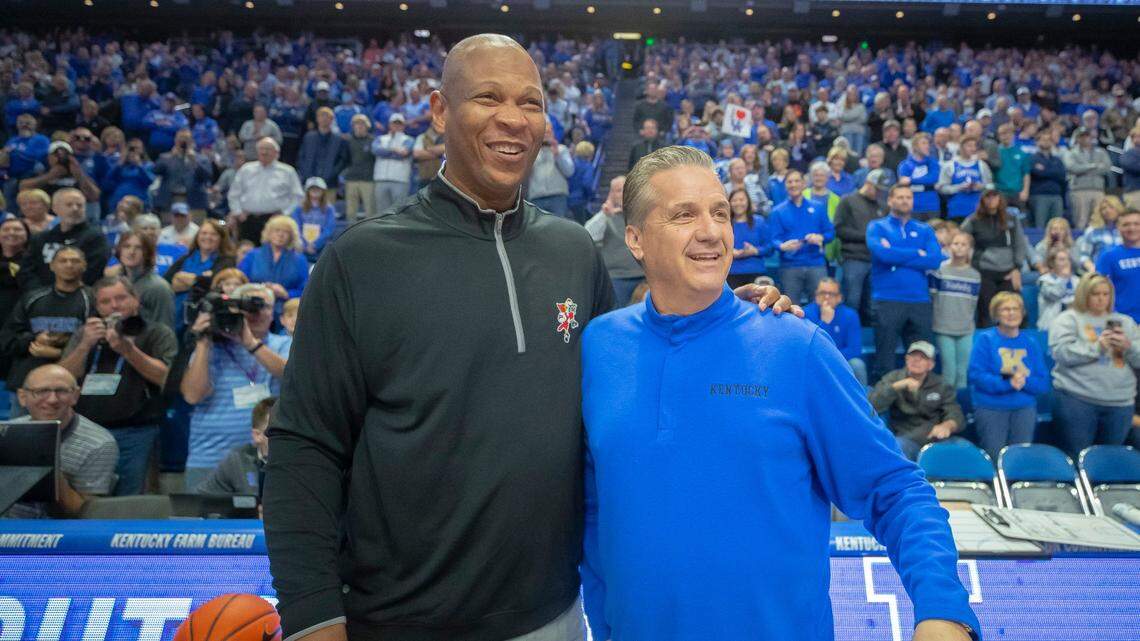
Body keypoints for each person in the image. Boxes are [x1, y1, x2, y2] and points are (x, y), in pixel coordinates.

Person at [262, 33, 796, 641]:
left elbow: (639, 369)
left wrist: (736, 318)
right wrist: (313, 616)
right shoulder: (362, 258)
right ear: (439, 111)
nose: (513, 119)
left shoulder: (572, 248)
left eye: (531, 103)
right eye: (488, 97)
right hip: (398, 620)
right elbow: (305, 447)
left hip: (554, 615)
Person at [581, 146, 977, 641]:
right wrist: (607, 620)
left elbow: (896, 489)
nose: (710, 231)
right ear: (635, 239)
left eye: (720, 212)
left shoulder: (795, 344)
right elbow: (595, 508)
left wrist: (943, 608)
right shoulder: (599, 346)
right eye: (684, 215)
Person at [58, 276, 177, 495]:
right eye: (105, 302)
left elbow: (166, 378)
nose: (114, 306)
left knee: (130, 498)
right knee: (84, 497)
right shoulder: (87, 333)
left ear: (136, 300)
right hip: (86, 430)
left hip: (135, 431)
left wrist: (127, 350)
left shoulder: (156, 332)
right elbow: (60, 378)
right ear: (97, 307)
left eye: (121, 298)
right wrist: (84, 345)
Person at [181, 282, 290, 490]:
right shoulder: (213, 347)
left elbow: (291, 375)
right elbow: (192, 395)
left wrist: (250, 343)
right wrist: (203, 342)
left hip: (265, 456)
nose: (255, 313)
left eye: (263, 306)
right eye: (247, 307)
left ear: (273, 313)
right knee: (201, 520)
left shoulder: (282, 344)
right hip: (210, 455)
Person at [2, 364, 117, 518]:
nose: (52, 400)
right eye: (41, 391)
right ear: (22, 397)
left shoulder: (99, 443)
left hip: (60, 533)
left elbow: (88, 513)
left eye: (61, 391)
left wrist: (49, 465)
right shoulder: (8, 432)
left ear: (75, 396)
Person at [1049, 273, 1140, 456]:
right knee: (1078, 456)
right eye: (1095, 294)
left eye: (1106, 294)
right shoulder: (1068, 319)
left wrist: (1128, 347)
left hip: (1120, 402)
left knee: (1109, 459)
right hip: (1078, 398)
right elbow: (1061, 353)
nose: (1101, 299)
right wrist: (1096, 348)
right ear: (1084, 294)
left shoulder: (1127, 323)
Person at [0, 246, 93, 409]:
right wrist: (33, 340)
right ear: (52, 266)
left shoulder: (93, 299)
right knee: (23, 434)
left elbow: (98, 344)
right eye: (63, 260)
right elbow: (7, 339)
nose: (69, 265)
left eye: (75, 261)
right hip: (27, 385)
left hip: (72, 387)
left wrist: (58, 353)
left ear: (84, 266)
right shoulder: (32, 298)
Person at [866, 185, 943, 381]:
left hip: (920, 300)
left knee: (923, 358)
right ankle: (885, 409)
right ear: (890, 200)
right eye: (900, 197)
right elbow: (882, 254)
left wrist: (895, 253)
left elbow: (934, 259)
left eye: (908, 197)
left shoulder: (924, 229)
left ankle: (921, 406)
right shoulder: (876, 226)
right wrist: (917, 253)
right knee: (885, 360)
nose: (904, 200)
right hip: (887, 299)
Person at [968, 292, 1049, 461]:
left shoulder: (1031, 342)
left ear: (1022, 313)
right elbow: (976, 375)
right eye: (1005, 309)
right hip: (991, 408)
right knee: (994, 457)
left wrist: (1024, 381)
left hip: (1024, 408)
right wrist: (1008, 383)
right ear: (996, 314)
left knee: (1019, 459)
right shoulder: (985, 339)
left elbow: (1042, 383)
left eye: (1015, 309)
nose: (1011, 313)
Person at [869, 340, 966, 461]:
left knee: (964, 449)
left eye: (923, 357)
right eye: (913, 356)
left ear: (931, 364)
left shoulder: (941, 384)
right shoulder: (893, 378)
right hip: (906, 436)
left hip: (936, 437)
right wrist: (897, 386)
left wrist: (947, 425)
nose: (916, 360)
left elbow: (955, 412)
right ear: (906, 359)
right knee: (898, 446)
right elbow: (871, 404)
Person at [961, 190, 1027, 328]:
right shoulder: (973, 220)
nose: (991, 200)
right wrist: (967, 264)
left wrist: (1017, 268)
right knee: (985, 312)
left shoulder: (1011, 218)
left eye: (995, 196)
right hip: (983, 272)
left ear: (999, 198)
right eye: (988, 197)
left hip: (1008, 272)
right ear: (982, 200)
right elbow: (961, 239)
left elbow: (1020, 243)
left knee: (1016, 308)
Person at [20, 188, 109, 290]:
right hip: (40, 296)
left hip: (78, 295)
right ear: (55, 208)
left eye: (79, 205)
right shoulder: (41, 238)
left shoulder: (95, 238)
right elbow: (26, 270)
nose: (75, 209)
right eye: (69, 205)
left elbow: (94, 271)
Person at [833, 169, 890, 322]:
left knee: (873, 305)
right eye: (877, 189)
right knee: (852, 300)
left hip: (875, 260)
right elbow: (839, 229)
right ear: (868, 183)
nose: (878, 193)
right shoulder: (848, 201)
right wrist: (868, 237)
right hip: (853, 258)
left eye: (881, 191)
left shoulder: (883, 207)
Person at [769, 170, 833, 304]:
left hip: (816, 264)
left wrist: (820, 237)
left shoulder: (818, 207)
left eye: (797, 181)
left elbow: (830, 233)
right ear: (785, 186)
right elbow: (773, 239)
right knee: (790, 309)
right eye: (789, 182)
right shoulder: (777, 211)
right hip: (790, 266)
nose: (793, 185)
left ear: (804, 184)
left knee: (821, 306)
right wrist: (782, 246)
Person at [226, 137, 305, 244]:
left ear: (277, 153)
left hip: (274, 220)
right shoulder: (246, 169)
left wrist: (285, 213)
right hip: (247, 220)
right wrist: (238, 212)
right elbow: (233, 194)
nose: (264, 152)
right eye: (261, 149)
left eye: (268, 149)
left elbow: (298, 197)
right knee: (246, 253)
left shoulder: (287, 171)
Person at [163, 219, 236, 334]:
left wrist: (181, 279)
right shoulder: (186, 258)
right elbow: (166, 281)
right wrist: (200, 279)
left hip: (204, 316)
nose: (208, 237)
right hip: (176, 315)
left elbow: (213, 283)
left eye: (213, 234)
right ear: (197, 236)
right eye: (204, 233)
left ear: (221, 238)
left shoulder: (227, 260)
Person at [195, 396, 275, 496]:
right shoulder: (238, 459)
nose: (285, 438)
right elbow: (200, 500)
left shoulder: (298, 460)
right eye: (275, 432)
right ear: (257, 435)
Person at [931, 231, 981, 389]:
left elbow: (972, 305)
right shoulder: (938, 271)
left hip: (965, 329)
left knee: (962, 373)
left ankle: (961, 411)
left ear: (969, 249)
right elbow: (932, 298)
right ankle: (946, 410)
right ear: (949, 246)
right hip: (943, 327)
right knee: (949, 372)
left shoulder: (975, 275)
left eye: (963, 244)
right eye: (956, 243)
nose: (959, 248)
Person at [586, 176, 644, 306]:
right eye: (618, 190)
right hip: (616, 277)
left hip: (644, 276)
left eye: (626, 189)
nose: (623, 193)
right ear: (611, 194)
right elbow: (588, 235)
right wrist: (604, 214)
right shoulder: (605, 216)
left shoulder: (642, 215)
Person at [238, 215, 309, 315]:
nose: (280, 234)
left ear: (292, 237)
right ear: (269, 233)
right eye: (277, 230)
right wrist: (259, 289)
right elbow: (240, 281)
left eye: (286, 232)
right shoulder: (253, 255)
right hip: (254, 305)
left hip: (285, 309)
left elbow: (306, 290)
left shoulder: (300, 260)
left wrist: (286, 293)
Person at [104, 232, 176, 328]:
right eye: (126, 246)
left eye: (138, 248)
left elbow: (166, 331)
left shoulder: (159, 288)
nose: (131, 252)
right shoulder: (116, 283)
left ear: (147, 253)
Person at [803, 277, 867, 385]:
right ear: (816, 295)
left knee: (857, 364)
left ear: (839, 298)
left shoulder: (850, 315)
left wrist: (832, 359)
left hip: (842, 362)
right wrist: (825, 323)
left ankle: (861, 401)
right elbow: (809, 347)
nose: (826, 297)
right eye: (823, 293)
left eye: (831, 294)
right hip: (815, 362)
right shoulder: (805, 313)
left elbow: (855, 350)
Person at [153, 129, 212, 221]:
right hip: (170, 200)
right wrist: (171, 157)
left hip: (194, 201)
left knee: (196, 229)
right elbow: (156, 171)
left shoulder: (201, 159)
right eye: (180, 138)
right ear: (175, 140)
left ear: (191, 141)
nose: (183, 141)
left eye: (186, 139)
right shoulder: (165, 157)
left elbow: (207, 176)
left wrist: (194, 161)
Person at [1095, 208, 1140, 323]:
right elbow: (1097, 290)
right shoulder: (1109, 256)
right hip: (1123, 322)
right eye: (1126, 225)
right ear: (1118, 228)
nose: (1132, 228)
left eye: (1136, 224)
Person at [1064, 127, 1112, 231]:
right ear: (1077, 138)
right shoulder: (1071, 153)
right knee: (1081, 220)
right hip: (1079, 190)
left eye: (1087, 136)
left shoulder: (1101, 152)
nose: (1085, 139)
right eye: (1082, 136)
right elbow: (1073, 168)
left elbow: (1106, 168)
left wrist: (1084, 168)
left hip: (1098, 190)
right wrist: (1094, 166)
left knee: (1099, 220)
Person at [937, 136, 993, 221]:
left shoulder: (981, 165)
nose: (973, 149)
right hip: (956, 210)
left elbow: (990, 186)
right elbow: (942, 188)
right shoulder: (950, 165)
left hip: (978, 210)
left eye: (974, 146)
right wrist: (959, 187)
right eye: (969, 146)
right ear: (961, 147)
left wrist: (980, 187)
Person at [726, 187, 773, 289]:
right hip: (731, 273)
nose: (738, 203)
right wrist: (730, 252)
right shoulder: (725, 224)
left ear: (748, 202)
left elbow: (770, 248)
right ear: (729, 203)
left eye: (741, 200)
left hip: (755, 272)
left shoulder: (759, 222)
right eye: (734, 200)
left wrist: (755, 251)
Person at [528, 119, 575, 217]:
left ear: (553, 133)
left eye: (548, 132)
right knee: (537, 231)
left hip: (557, 196)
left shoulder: (562, 149)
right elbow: (524, 174)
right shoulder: (531, 152)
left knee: (557, 230)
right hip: (537, 197)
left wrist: (557, 155)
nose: (545, 135)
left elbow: (569, 171)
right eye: (543, 132)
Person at [371, 113, 416, 213]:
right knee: (381, 212)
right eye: (394, 123)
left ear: (403, 125)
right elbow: (376, 150)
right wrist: (395, 150)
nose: (396, 126)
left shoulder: (409, 139)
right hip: (381, 178)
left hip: (400, 179)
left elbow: (404, 153)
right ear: (389, 125)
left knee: (399, 212)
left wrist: (386, 152)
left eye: (399, 124)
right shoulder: (380, 138)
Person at [297, 107, 348, 191]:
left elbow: (342, 161)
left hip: (330, 183)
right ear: (317, 119)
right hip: (309, 183)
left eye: (327, 116)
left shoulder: (339, 140)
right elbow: (301, 157)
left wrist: (331, 175)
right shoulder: (308, 137)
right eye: (321, 116)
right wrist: (307, 175)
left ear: (332, 120)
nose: (324, 119)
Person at [291, 178, 338, 262]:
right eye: (312, 188)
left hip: (322, 246)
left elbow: (329, 229)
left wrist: (315, 244)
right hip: (302, 246)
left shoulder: (329, 209)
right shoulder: (298, 208)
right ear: (307, 191)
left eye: (318, 189)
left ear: (323, 191)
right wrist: (305, 245)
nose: (315, 191)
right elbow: (296, 227)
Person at [1027, 130, 1067, 229]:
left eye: (1049, 140)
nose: (1046, 142)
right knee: (1040, 225)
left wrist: (1045, 170)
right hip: (1039, 195)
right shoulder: (1032, 158)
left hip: (1056, 195)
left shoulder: (1057, 159)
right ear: (1037, 142)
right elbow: (1036, 173)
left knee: (1058, 226)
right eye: (1043, 140)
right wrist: (1052, 172)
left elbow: (1061, 174)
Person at [896, 132, 941, 220]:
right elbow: (903, 182)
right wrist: (923, 180)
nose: (927, 146)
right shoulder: (905, 165)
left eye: (928, 143)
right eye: (923, 143)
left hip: (931, 206)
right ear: (915, 146)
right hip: (912, 207)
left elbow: (933, 178)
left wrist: (911, 180)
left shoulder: (933, 162)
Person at [1077, 195, 1124, 274]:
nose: (1107, 211)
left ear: (1118, 210)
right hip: (1101, 272)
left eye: (1111, 207)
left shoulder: (1125, 230)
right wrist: (1093, 269)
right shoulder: (1092, 231)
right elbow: (1084, 257)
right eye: (1104, 208)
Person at [342, 114, 377, 220]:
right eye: (356, 123)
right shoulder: (348, 141)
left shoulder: (373, 140)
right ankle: (351, 234)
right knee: (350, 211)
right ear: (353, 126)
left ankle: (371, 235)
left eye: (362, 123)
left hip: (368, 179)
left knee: (370, 210)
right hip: (351, 179)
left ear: (367, 126)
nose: (359, 126)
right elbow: (345, 159)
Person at [1038, 247, 1080, 331]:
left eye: (1068, 259)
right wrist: (1064, 278)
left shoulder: (1076, 281)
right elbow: (1055, 294)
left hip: (1073, 323)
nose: (1066, 263)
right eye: (1061, 259)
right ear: (1052, 263)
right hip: (1051, 325)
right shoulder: (1045, 280)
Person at [567, 141, 598, 223]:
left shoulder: (571, 164)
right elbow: (587, 183)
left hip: (567, 200)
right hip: (579, 199)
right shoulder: (588, 166)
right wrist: (591, 195)